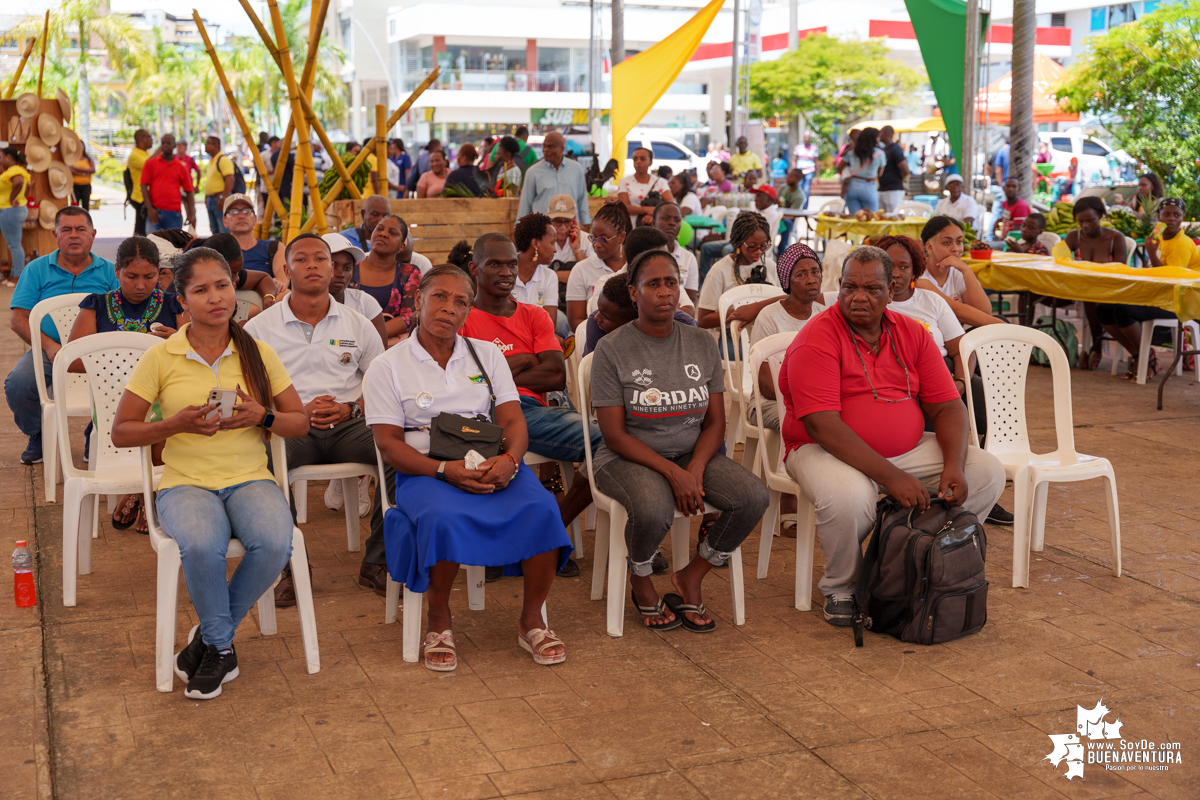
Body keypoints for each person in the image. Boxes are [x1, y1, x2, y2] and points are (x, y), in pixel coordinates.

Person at [110, 246, 308, 700]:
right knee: (201, 545)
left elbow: (298, 422)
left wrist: (263, 416)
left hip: (250, 477)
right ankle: (221, 646)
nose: (216, 297)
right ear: (182, 300)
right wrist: (176, 423)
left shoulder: (257, 352)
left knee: (276, 542)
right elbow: (122, 432)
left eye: (223, 285)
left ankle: (213, 639)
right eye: (201, 290)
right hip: (186, 482)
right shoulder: (161, 357)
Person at [779, 246, 1006, 625]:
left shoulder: (911, 333)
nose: (859, 298)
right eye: (850, 287)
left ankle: (916, 564)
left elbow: (949, 406)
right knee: (850, 497)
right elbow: (821, 424)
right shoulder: (816, 336)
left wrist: (954, 465)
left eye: (871, 289)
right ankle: (842, 587)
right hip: (820, 448)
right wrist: (892, 477)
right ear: (840, 287)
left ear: (891, 291)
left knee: (986, 473)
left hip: (906, 451)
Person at [366, 265, 572, 669]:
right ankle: (439, 619)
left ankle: (531, 619)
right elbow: (388, 444)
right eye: (440, 297)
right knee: (442, 517)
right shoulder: (388, 365)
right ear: (418, 300)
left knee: (543, 509)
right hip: (426, 470)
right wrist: (445, 471)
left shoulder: (487, 354)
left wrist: (511, 461)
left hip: (490, 462)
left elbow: (514, 421)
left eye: (461, 302)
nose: (449, 308)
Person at [591, 248, 769, 631]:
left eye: (670, 282)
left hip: (691, 451)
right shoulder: (611, 349)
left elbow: (716, 423)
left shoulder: (702, 343)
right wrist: (674, 473)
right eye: (652, 284)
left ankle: (693, 574)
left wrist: (695, 468)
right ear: (634, 292)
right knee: (653, 508)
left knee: (753, 496)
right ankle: (640, 578)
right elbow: (614, 435)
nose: (664, 292)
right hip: (628, 458)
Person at [243, 234, 389, 601]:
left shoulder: (358, 325)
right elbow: (245, 389)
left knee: (400, 452)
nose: (312, 265)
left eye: (321, 259)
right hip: (289, 427)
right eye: (302, 259)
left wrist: (350, 408)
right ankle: (292, 569)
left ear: (333, 269)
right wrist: (288, 413)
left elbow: (382, 385)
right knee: (261, 465)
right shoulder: (260, 328)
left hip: (350, 425)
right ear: (286, 269)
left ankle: (378, 563)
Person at [460, 233, 601, 577]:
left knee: (608, 439)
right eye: (495, 264)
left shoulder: (534, 316)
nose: (506, 271)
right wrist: (524, 360)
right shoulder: (461, 319)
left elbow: (555, 376)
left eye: (511, 263)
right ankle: (527, 541)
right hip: (478, 416)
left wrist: (499, 372)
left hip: (531, 410)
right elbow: (468, 383)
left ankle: (550, 532)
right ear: (473, 268)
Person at [68, 235, 188, 533]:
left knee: (169, 408)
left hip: (165, 394)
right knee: (156, 416)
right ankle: (149, 493)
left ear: (160, 274)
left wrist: (177, 340)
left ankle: (143, 493)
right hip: (114, 399)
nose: (140, 285)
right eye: (131, 276)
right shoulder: (96, 306)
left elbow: (196, 354)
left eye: (149, 276)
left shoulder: (174, 305)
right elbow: (72, 360)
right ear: (117, 271)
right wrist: (123, 359)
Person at [6, 207, 118, 464]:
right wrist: (50, 346)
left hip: (98, 351)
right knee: (18, 387)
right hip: (50, 350)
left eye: (81, 229)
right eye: (66, 230)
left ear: (93, 234)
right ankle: (39, 433)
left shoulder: (111, 272)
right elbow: (18, 319)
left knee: (128, 380)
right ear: (55, 234)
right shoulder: (36, 270)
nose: (74, 235)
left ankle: (98, 430)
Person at [1098, 198, 1200, 380]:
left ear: (1182, 218)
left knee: (1124, 312)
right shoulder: (1158, 239)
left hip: (1175, 302)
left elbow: (1171, 280)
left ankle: (1146, 360)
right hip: (1156, 295)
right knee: (1103, 309)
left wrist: (1152, 253)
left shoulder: (1181, 244)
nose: (1171, 219)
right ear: (1158, 216)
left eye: (1177, 215)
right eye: (1166, 214)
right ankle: (1143, 356)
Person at [697, 211, 780, 337]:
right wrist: (738, 312)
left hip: (769, 332)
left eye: (764, 246)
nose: (759, 251)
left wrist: (757, 309)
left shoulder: (770, 266)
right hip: (735, 334)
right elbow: (703, 320)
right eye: (752, 246)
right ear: (738, 242)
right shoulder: (719, 271)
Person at [350, 214, 421, 345]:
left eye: (393, 233)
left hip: (388, 350)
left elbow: (408, 317)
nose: (383, 234)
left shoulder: (409, 273)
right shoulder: (350, 267)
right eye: (379, 229)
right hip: (347, 343)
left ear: (401, 246)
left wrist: (367, 337)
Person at [918, 216, 999, 325]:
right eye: (947, 242)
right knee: (998, 325)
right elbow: (955, 311)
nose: (956, 248)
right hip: (932, 338)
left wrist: (966, 270)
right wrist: (1005, 327)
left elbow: (984, 312)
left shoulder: (958, 272)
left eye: (959, 241)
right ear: (929, 247)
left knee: (997, 321)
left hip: (954, 336)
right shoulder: (919, 276)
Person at [565, 203, 630, 331]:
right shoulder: (581, 270)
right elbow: (575, 321)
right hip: (594, 338)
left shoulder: (634, 266)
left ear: (621, 237)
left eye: (604, 239)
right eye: (593, 238)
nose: (597, 245)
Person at [185, 233, 279, 315]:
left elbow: (263, 278)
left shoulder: (230, 274)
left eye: (239, 271)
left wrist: (268, 297)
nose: (237, 278)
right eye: (233, 273)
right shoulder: (187, 286)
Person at [322, 232, 388, 347]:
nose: (340, 274)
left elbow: (380, 356)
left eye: (347, 268)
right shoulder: (301, 305)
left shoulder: (365, 303)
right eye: (333, 266)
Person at [518, 132, 592, 227]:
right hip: (543, 231)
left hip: (570, 230)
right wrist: (519, 229)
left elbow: (582, 200)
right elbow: (525, 206)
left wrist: (586, 225)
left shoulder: (576, 169)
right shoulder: (533, 172)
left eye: (551, 147)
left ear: (562, 148)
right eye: (544, 146)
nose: (545, 150)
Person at [221, 194, 285, 284]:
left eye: (246, 211)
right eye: (234, 211)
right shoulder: (217, 251)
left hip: (271, 296)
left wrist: (278, 285)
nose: (241, 216)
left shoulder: (274, 248)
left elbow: (282, 282)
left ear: (255, 219)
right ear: (225, 221)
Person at [141, 133, 197, 233]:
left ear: (174, 145)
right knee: (153, 244)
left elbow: (189, 191)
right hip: (154, 212)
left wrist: (191, 214)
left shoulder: (181, 167)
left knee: (173, 246)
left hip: (174, 213)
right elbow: (144, 186)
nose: (166, 145)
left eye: (168, 143)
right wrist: (149, 209)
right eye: (163, 143)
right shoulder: (150, 164)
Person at [512, 213, 560, 326]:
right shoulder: (505, 272)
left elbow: (549, 325)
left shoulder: (549, 276)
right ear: (535, 243)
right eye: (552, 242)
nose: (555, 250)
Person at [652, 202, 700, 311]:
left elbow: (691, 300)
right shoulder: (644, 254)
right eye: (665, 218)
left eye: (677, 220)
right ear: (653, 223)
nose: (672, 223)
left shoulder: (689, 257)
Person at [618, 147, 673, 228]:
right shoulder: (624, 182)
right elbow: (623, 208)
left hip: (655, 227)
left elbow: (670, 205)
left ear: (650, 162)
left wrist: (652, 215)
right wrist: (646, 210)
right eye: (635, 159)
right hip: (631, 227)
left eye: (643, 159)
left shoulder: (660, 182)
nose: (638, 162)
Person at [0, 147, 30, 283]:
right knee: (14, 244)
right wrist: (20, 197)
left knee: (14, 245)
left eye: (0, 157)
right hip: (14, 210)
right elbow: (27, 187)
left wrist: (12, 199)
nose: (0, 160)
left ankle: (18, 276)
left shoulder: (14, 170)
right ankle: (15, 273)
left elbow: (19, 182)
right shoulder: (18, 170)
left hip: (10, 210)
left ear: (8, 157)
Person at [840, 127, 885, 214]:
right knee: (871, 218)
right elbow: (880, 173)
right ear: (874, 138)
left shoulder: (853, 152)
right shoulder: (879, 153)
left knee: (855, 217)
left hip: (852, 185)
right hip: (869, 186)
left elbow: (840, 166)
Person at [203, 137, 237, 236]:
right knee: (215, 230)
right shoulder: (212, 160)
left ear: (216, 145)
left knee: (223, 230)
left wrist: (223, 198)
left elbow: (230, 179)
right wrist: (207, 196)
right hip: (212, 199)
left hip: (219, 198)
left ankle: (225, 251)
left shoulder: (223, 160)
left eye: (208, 143)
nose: (205, 145)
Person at [877, 126, 910, 213]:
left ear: (887, 134)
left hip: (893, 190)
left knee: (893, 216)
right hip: (883, 189)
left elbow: (905, 171)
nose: (879, 135)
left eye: (881, 133)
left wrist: (897, 180)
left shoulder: (895, 149)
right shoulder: (883, 149)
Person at [128, 129, 154, 236]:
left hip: (147, 196)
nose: (151, 139)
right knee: (141, 230)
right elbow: (150, 165)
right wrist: (161, 150)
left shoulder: (145, 154)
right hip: (140, 196)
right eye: (149, 137)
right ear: (141, 139)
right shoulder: (134, 155)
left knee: (145, 228)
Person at [776, 169, 807, 253]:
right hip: (777, 217)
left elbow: (792, 216)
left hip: (788, 220)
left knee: (787, 223)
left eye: (791, 176)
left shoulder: (800, 196)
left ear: (798, 179)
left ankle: (781, 251)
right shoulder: (783, 188)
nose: (787, 177)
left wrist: (779, 216)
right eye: (788, 175)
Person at [793, 131, 819, 203]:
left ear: (810, 138)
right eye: (805, 137)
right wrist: (793, 172)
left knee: (806, 190)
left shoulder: (814, 147)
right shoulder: (798, 147)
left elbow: (816, 162)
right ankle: (800, 205)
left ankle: (805, 207)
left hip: (810, 170)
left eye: (808, 137)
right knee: (800, 188)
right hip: (800, 170)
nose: (807, 138)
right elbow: (794, 160)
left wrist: (817, 176)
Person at [70, 145, 96, 212]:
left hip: (86, 186)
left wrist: (77, 169)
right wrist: (84, 173)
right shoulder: (72, 159)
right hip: (75, 186)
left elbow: (92, 170)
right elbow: (70, 170)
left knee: (86, 206)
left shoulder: (88, 159)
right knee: (75, 207)